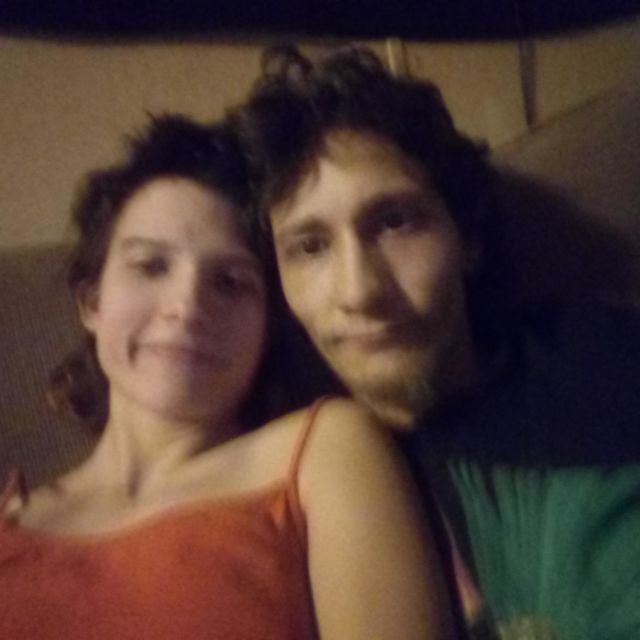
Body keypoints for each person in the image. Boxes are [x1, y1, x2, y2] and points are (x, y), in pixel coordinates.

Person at [232, 45, 640, 639]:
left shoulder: (595, 356)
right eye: (310, 247)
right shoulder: (285, 483)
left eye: (395, 221)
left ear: (467, 236)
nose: (360, 291)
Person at [0, 115, 453, 639]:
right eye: (151, 266)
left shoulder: (322, 451)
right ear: (92, 302)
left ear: (268, 323)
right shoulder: (14, 519)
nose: (188, 305)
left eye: (231, 282)